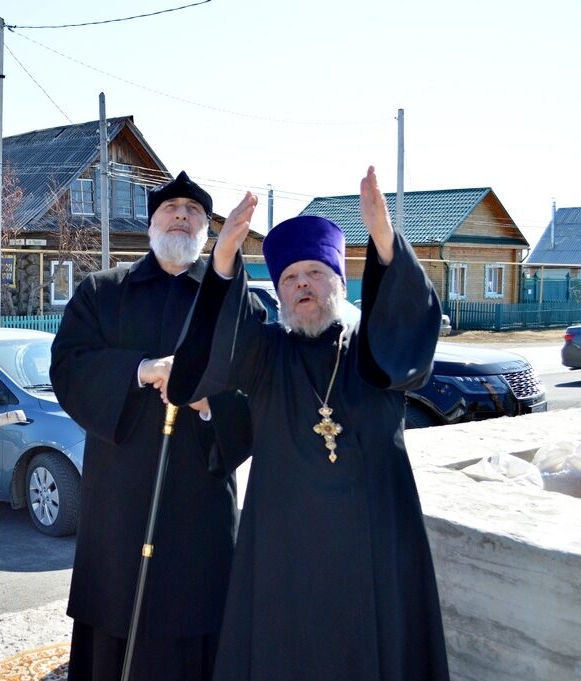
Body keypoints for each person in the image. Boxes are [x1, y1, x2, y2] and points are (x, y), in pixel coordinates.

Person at [167, 167, 451, 680]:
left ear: (339, 283)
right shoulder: (266, 353)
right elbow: (210, 354)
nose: (302, 285)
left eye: (315, 274)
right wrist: (225, 258)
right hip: (287, 548)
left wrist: (385, 242)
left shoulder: (371, 348)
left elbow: (407, 332)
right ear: (278, 293)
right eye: (290, 278)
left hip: (374, 539)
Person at [50, 172, 253, 681]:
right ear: (151, 223)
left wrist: (209, 402)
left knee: (196, 612)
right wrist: (140, 370)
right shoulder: (102, 290)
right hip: (120, 493)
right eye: (171, 208)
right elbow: (68, 366)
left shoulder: (230, 298)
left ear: (208, 230)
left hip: (199, 494)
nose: (181, 216)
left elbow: (258, 382)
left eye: (194, 211)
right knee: (117, 614)